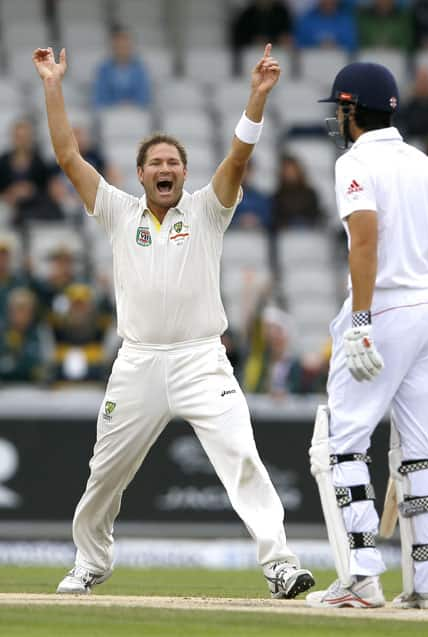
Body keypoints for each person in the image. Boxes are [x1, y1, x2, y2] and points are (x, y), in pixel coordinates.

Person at [33, 43, 314, 598]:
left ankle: (280, 564)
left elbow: (237, 159)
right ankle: (90, 562)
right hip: (137, 362)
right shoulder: (118, 211)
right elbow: (68, 156)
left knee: (242, 458)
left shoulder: (210, 209)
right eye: (156, 163)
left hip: (200, 359)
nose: (166, 169)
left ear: (185, 172)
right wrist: (52, 84)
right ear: (140, 174)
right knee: (104, 475)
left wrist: (256, 97)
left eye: (174, 162)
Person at [306, 62, 428, 609]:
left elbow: (364, 241)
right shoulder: (427, 165)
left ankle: (361, 577)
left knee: (344, 447)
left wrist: (359, 322)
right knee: (426, 454)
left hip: (382, 309)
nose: (338, 117)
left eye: (340, 107)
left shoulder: (355, 163)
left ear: (353, 110)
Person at [93, 26, 151, 109]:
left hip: (136, 112)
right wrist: (116, 105)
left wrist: (131, 105)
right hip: (110, 113)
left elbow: (144, 96)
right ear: (113, 47)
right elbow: (99, 96)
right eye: (119, 46)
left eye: (125, 46)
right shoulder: (103, 70)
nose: (122, 49)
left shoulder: (140, 69)